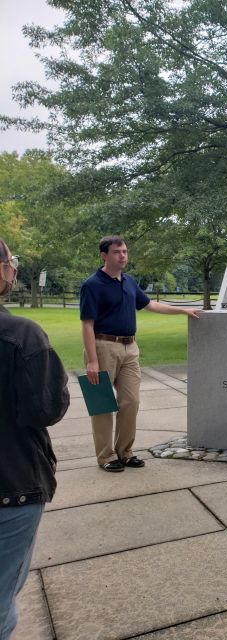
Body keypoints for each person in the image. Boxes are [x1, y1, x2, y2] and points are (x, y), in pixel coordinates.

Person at [80, 235, 201, 472]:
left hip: (130, 348)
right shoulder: (92, 285)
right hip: (103, 346)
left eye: (124, 251)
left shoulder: (129, 281)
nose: (122, 256)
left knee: (131, 402)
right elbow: (87, 325)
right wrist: (92, 361)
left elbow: (150, 305)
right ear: (104, 255)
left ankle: (125, 452)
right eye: (117, 252)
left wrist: (183, 310)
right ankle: (106, 457)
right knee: (103, 406)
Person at [0, 239, 69, 640]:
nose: (13, 268)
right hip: (12, 487)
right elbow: (47, 408)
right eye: (11, 261)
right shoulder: (21, 335)